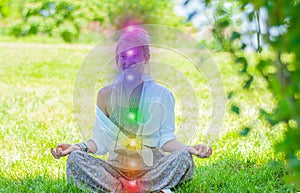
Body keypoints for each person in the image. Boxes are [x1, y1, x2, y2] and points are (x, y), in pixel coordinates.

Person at [51, 26, 212, 193]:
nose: (128, 61)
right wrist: (77, 147)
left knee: (184, 158)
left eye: (135, 56)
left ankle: (126, 189)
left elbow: (166, 140)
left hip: (153, 168)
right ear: (116, 59)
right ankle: (144, 190)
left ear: (147, 58)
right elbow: (100, 141)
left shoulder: (163, 95)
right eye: (123, 56)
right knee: (75, 160)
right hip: (116, 170)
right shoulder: (105, 95)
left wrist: (191, 149)